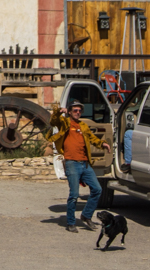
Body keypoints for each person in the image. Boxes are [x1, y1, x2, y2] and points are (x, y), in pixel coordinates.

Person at [46, 100, 111, 233]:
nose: (78, 112)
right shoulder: (65, 122)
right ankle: (71, 222)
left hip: (85, 163)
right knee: (74, 195)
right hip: (71, 163)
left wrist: (102, 144)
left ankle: (86, 216)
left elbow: (93, 138)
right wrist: (59, 111)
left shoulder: (83, 126)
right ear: (69, 112)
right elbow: (53, 121)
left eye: (80, 110)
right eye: (75, 110)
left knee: (97, 189)